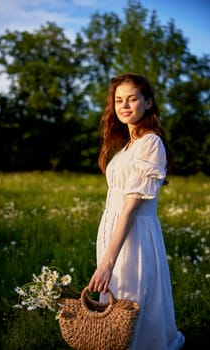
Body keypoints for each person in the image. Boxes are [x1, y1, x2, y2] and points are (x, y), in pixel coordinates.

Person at [88, 73, 185, 349]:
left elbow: (131, 205)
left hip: (134, 232)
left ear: (148, 103)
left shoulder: (150, 143)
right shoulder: (127, 146)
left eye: (132, 99)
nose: (124, 105)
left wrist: (108, 261)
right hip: (114, 229)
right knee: (117, 297)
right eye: (119, 100)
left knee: (133, 296)